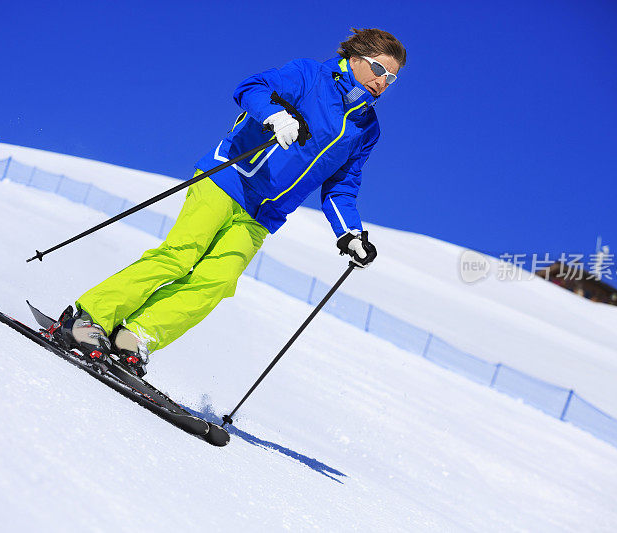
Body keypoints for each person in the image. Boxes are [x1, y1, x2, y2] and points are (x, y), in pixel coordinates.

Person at [55, 28, 407, 377]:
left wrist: (351, 234)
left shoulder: (367, 128)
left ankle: (134, 337)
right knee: (180, 255)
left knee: (217, 280)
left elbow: (342, 185)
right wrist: (275, 115)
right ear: (355, 58)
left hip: (263, 215)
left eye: (392, 77)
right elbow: (251, 88)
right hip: (229, 178)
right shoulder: (310, 75)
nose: (383, 81)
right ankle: (90, 318)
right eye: (379, 69)